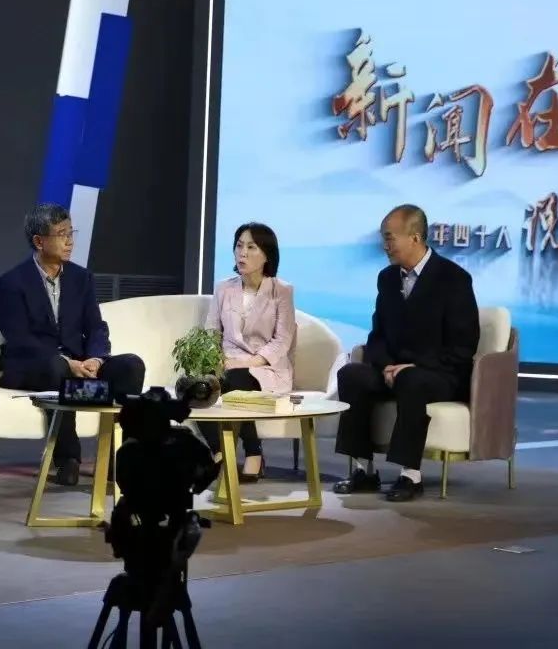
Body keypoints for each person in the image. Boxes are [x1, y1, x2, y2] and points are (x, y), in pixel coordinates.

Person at [333, 204, 479, 502]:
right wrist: (386, 365)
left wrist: (413, 366)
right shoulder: (388, 278)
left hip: (440, 372)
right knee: (352, 374)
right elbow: (377, 335)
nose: (385, 246)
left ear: (415, 237)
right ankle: (363, 470)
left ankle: (410, 475)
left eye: (390, 238)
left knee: (411, 380)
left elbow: (464, 344)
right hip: (394, 370)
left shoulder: (453, 278)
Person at [0, 203, 145, 486]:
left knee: (131, 366)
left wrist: (95, 360)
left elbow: (96, 327)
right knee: (56, 366)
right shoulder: (12, 282)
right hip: (34, 366)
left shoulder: (81, 277)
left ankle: (117, 459)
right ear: (39, 241)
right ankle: (68, 459)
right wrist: (67, 363)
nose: (70, 241)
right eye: (61, 234)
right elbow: (19, 337)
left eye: (71, 233)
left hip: (79, 366)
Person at [197, 223, 297, 482]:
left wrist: (248, 361)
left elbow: (282, 340)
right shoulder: (224, 288)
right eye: (239, 246)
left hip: (266, 367)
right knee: (196, 387)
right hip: (227, 363)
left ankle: (253, 453)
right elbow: (211, 332)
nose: (242, 253)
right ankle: (221, 453)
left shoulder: (282, 290)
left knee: (237, 380)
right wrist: (216, 360)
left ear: (266, 255)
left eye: (251, 247)